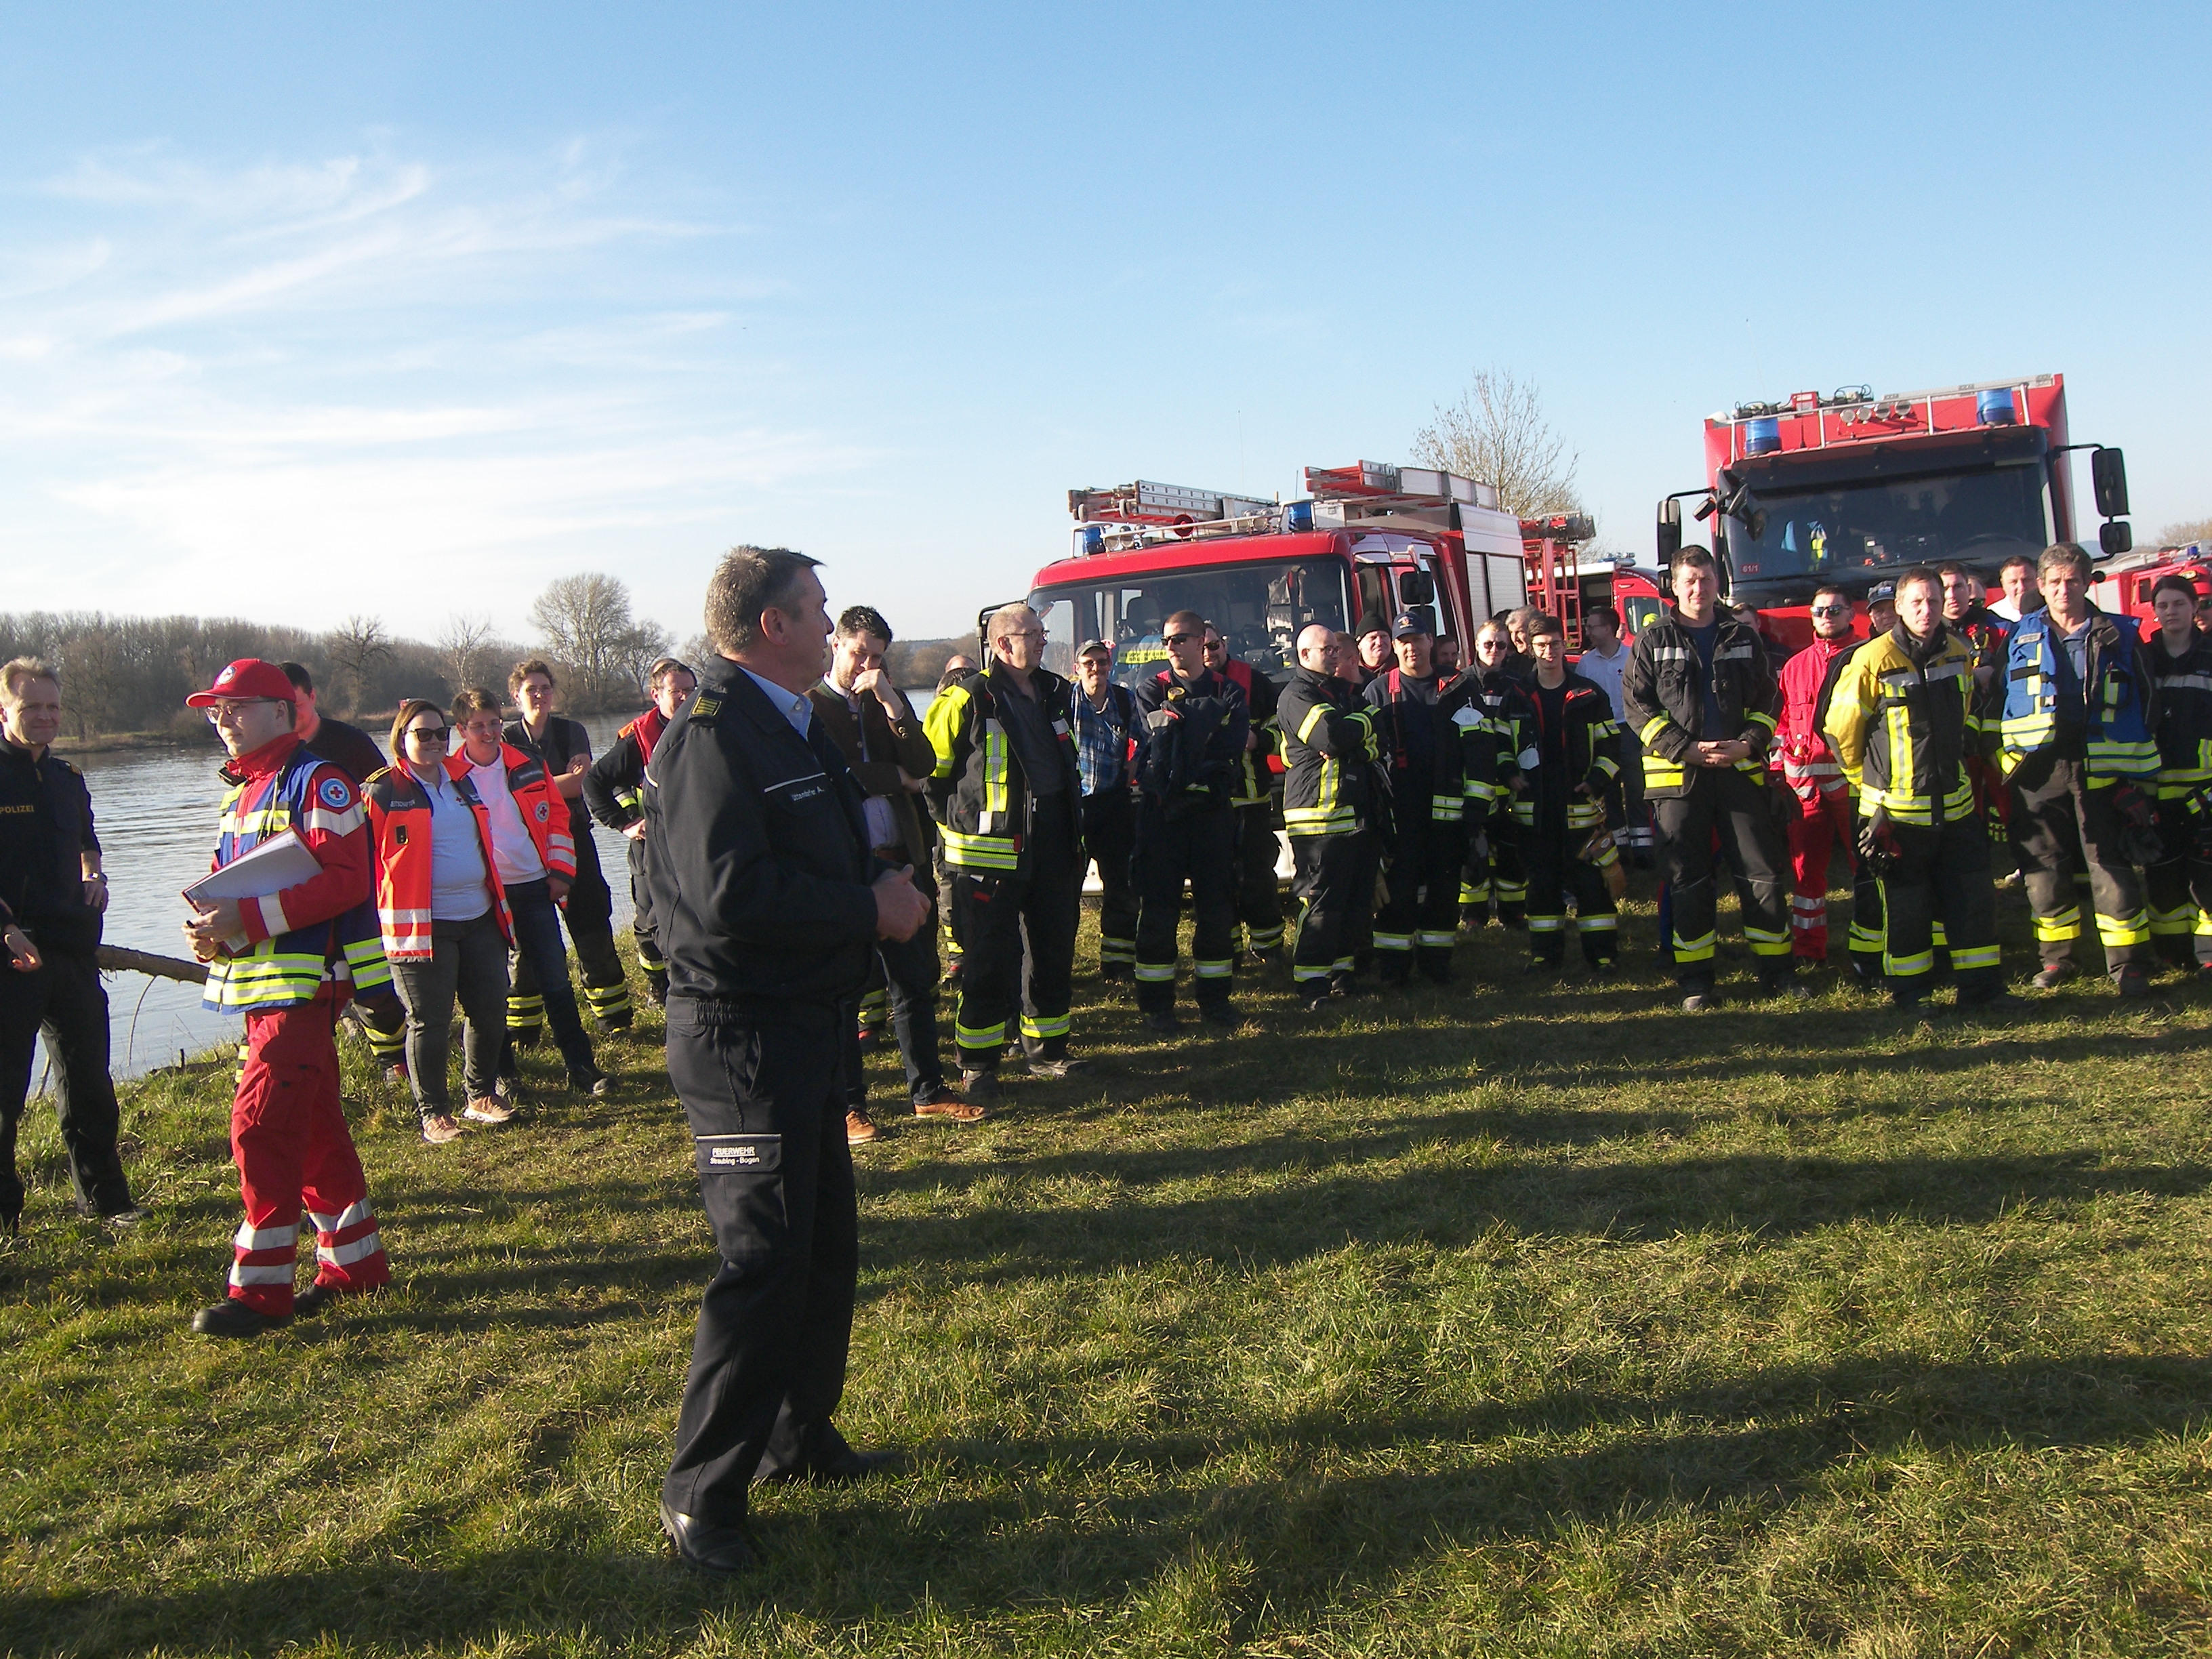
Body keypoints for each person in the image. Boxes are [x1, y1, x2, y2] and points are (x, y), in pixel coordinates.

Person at [645, 545, 928, 1575]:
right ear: (770, 626)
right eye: (814, 611)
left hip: (803, 1024)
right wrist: (870, 908)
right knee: (761, 1265)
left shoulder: (790, 723)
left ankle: (797, 1435)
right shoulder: (712, 739)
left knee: (821, 1248)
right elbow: (728, 901)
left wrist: (878, 880)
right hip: (741, 1039)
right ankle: (700, 1498)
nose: (830, 626)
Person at [180, 658, 389, 1336]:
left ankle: (261, 1295)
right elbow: (232, 887)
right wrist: (214, 934)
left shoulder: (319, 781)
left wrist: (248, 921)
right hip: (262, 991)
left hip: (305, 991)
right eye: (216, 711)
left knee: (261, 1129)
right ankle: (356, 1268)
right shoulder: (238, 794)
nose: (222, 720)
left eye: (235, 707)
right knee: (316, 1131)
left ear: (280, 710)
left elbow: (346, 882)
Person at [805, 608, 979, 1138]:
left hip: (899, 857)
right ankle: (849, 1106)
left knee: (914, 982)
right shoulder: (808, 707)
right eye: (860, 652)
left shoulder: (887, 701)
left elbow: (924, 764)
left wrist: (892, 703)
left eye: (878, 656)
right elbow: (827, 772)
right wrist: (889, 776)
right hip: (844, 867)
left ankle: (927, 1092)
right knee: (846, 990)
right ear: (836, 645)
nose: (868, 664)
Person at [1824, 569, 2011, 1012]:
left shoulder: (1958, 652)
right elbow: (1840, 732)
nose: (1926, 611)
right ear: (1901, 607)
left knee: (1972, 898)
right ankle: (1910, 995)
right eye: (1916, 603)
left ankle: (1981, 990)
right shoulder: (1872, 659)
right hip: (1898, 814)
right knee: (1907, 909)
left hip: (1957, 805)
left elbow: (1965, 711)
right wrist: (1868, 787)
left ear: (1945, 601)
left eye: (1932, 601)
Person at [1621, 548, 1799, 1010]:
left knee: (1762, 873)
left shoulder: (1742, 635)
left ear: (1718, 581)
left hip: (1740, 772)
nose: (1699, 588)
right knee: (1689, 879)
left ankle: (1778, 971)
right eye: (1690, 581)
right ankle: (1696, 982)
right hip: (1679, 779)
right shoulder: (1651, 640)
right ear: (1675, 587)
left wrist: (1748, 743)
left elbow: (1769, 699)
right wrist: (1688, 750)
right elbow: (1639, 709)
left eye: (1706, 579)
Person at [0, 659, 142, 1230]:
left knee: (89, 1084)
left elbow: (89, 843)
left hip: (70, 952)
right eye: (31, 707)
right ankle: (5, 1217)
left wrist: (96, 879)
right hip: (10, 954)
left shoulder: (66, 778)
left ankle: (106, 1202)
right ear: (4, 711)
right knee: (5, 1094)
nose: (44, 716)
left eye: (53, 707)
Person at [925, 604, 1085, 1098]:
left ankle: (1048, 1052)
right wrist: (962, 830)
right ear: (1001, 645)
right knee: (988, 960)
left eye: (1042, 632)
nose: (1041, 641)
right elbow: (931, 774)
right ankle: (978, 1065)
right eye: (1031, 634)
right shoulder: (968, 697)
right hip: (989, 854)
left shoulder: (1056, 692)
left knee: (1052, 949)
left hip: (1054, 841)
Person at [1996, 543, 2160, 995]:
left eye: (2072, 581)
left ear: (2087, 583)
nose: (2063, 590)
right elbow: (1999, 705)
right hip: (2041, 769)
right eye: (2054, 582)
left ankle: (2127, 965)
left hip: (2103, 769)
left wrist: (2135, 776)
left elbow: (2147, 702)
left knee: (2109, 866)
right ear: (2041, 587)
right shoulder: (2017, 637)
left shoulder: (2121, 634)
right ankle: (2056, 960)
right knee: (2044, 869)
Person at [365, 700, 515, 1144]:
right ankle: (434, 1112)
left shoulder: (463, 782)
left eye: (439, 733)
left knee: (490, 1010)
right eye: (421, 734)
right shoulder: (383, 791)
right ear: (401, 739)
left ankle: (480, 1096)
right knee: (429, 1021)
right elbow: (363, 862)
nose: (433, 741)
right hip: (420, 928)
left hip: (480, 916)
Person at [452, 688, 611, 1092]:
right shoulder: (448, 776)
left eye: (493, 723)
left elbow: (558, 820)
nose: (488, 733)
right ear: (460, 729)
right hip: (485, 894)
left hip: (533, 886)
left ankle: (581, 1068)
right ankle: (505, 1076)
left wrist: (560, 873)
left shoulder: (527, 764)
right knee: (490, 989)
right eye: (477, 727)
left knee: (556, 979)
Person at [281, 661, 410, 1080]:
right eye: (280, 707)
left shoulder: (349, 743)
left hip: (358, 881)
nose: (288, 717)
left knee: (373, 978)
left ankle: (394, 1061)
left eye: (295, 706)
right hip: (299, 888)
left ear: (312, 697)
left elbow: (388, 798)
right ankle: (315, 1066)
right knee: (305, 983)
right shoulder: (271, 757)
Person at [1131, 609, 1248, 1031]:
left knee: (1216, 911)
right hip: (1161, 816)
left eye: (1181, 639)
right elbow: (1155, 743)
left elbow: (1230, 747)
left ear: (1204, 642)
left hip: (1211, 817)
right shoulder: (1149, 689)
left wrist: (1183, 729)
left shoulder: (1230, 692)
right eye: (1166, 641)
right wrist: (1204, 726)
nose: (1172, 647)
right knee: (1158, 912)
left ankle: (1215, 1003)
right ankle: (1157, 1009)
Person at [506, 661, 636, 1031]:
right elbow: (508, 794)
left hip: (575, 838)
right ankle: (524, 1028)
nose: (540, 695)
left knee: (592, 924)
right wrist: (556, 782)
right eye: (531, 689)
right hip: (526, 847)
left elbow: (582, 784)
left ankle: (613, 1016)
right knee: (525, 940)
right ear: (516, 696)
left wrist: (536, 786)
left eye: (545, 688)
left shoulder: (571, 731)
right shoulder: (506, 740)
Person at [579, 657, 694, 1023]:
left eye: (690, 691)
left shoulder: (704, 725)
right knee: (649, 923)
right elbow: (593, 782)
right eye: (676, 692)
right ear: (655, 695)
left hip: (693, 843)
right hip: (651, 847)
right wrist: (624, 823)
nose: (684, 698)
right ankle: (658, 984)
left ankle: (687, 986)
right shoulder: (637, 739)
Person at [1278, 625, 1381, 1010]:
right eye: (1327, 649)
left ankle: (1341, 975)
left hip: (1354, 812)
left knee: (1354, 901)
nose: (1336, 655)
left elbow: (1376, 729)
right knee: (1321, 902)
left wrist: (1360, 732)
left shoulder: (1340, 692)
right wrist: (1357, 733)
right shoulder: (1297, 694)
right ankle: (1311, 984)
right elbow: (1331, 739)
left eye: (1338, 649)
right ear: (1305, 655)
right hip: (1317, 817)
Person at [1363, 608, 1467, 984]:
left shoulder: (1457, 687)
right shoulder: (1377, 691)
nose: (1412, 650)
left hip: (1448, 809)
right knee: (1399, 890)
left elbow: (1479, 746)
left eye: (1418, 641)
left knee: (1443, 888)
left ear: (1430, 643)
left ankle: (1437, 965)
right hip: (1399, 811)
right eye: (1403, 643)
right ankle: (1393, 969)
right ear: (1395, 647)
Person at [1517, 614, 1624, 971]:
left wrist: (1595, 781)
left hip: (1581, 807)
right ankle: (1545, 955)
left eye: (1555, 644)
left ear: (1566, 646)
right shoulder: (1517, 696)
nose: (1549, 651)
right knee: (1542, 886)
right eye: (1542, 645)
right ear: (1531, 649)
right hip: (1537, 808)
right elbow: (1501, 744)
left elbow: (1611, 747)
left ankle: (1603, 954)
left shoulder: (1589, 695)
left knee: (1591, 884)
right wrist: (1508, 774)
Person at [1772, 585, 1860, 964]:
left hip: (1854, 786)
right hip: (1805, 787)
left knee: (1868, 867)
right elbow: (1782, 722)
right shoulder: (1795, 666)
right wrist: (1778, 771)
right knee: (1807, 875)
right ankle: (1809, 949)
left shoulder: (1865, 659)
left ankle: (1877, 944)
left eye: (1835, 609)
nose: (1827, 616)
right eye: (1820, 610)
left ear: (1850, 614)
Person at [1202, 624, 1286, 964]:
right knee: (1218, 879)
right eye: (1202, 647)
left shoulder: (1254, 681)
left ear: (1224, 644)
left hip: (1251, 797)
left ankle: (1268, 947)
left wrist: (1260, 740)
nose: (1209, 653)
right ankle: (1229, 948)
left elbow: (1283, 729)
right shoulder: (1181, 685)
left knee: (1258, 876)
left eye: (1214, 645)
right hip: (1209, 801)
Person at [2141, 573, 2212, 972]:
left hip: (2206, 788)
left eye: (2179, 604)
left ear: (2194, 608)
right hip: (2156, 789)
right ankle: (2172, 955)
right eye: (2164, 606)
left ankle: (2209, 958)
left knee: (2208, 879)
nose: (2172, 612)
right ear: (2155, 612)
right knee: (2163, 877)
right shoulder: (2144, 659)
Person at [1070, 638, 1141, 980]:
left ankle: (1118, 963)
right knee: (1066, 888)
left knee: (1122, 886)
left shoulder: (1125, 699)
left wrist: (1136, 763)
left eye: (1103, 662)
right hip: (1074, 808)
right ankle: (1059, 964)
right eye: (1089, 663)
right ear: (1077, 669)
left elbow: (1148, 739)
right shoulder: (1063, 702)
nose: (1097, 669)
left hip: (1114, 804)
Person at [1462, 621, 1533, 928]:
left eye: (1501, 645)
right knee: (1472, 856)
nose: (1494, 651)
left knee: (1511, 855)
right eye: (1488, 644)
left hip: (1509, 785)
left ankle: (1513, 914)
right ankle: (1474, 917)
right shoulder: (1459, 684)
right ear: (1476, 646)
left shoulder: (1520, 685)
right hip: (1471, 785)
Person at [1574, 606, 1649, 867]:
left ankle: (1643, 851)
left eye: (1593, 626)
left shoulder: (1632, 657)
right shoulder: (1586, 663)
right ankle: (1619, 847)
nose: (1588, 632)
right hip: (1603, 734)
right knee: (1610, 792)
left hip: (1629, 731)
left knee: (1636, 789)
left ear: (1609, 629)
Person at [1985, 554, 2040, 625]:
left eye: (2027, 580)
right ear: (2003, 584)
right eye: (2013, 582)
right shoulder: (1993, 615)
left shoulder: (2051, 608)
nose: (2021, 587)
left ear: (2038, 581)